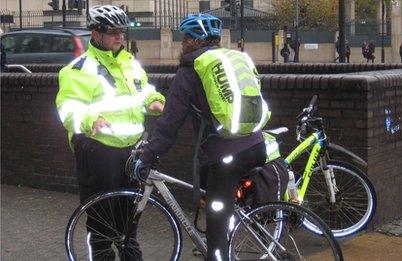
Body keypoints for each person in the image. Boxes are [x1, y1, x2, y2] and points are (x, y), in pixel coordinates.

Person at [137, 13, 269, 260]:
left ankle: (218, 253)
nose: (182, 43)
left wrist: (149, 154)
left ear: (190, 40)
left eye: (184, 38)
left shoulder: (191, 70)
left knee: (215, 213)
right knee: (211, 183)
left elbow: (170, 123)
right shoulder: (230, 59)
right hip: (257, 143)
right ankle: (241, 222)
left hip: (229, 153)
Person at [55, 5, 165, 260]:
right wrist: (89, 119)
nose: (120, 37)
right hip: (98, 149)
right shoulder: (80, 68)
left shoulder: (131, 64)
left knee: (129, 218)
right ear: (96, 34)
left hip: (132, 149)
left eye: (122, 32)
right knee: (101, 221)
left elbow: (144, 90)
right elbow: (68, 106)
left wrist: (155, 100)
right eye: (113, 32)